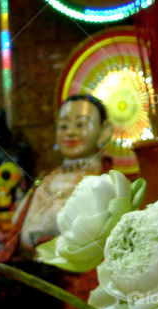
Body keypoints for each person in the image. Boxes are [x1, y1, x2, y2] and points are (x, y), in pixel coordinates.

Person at [15, 94, 113, 251]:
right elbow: (17, 223)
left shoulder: (104, 181)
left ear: (104, 131)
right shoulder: (46, 179)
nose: (70, 133)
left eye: (80, 125)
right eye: (63, 126)